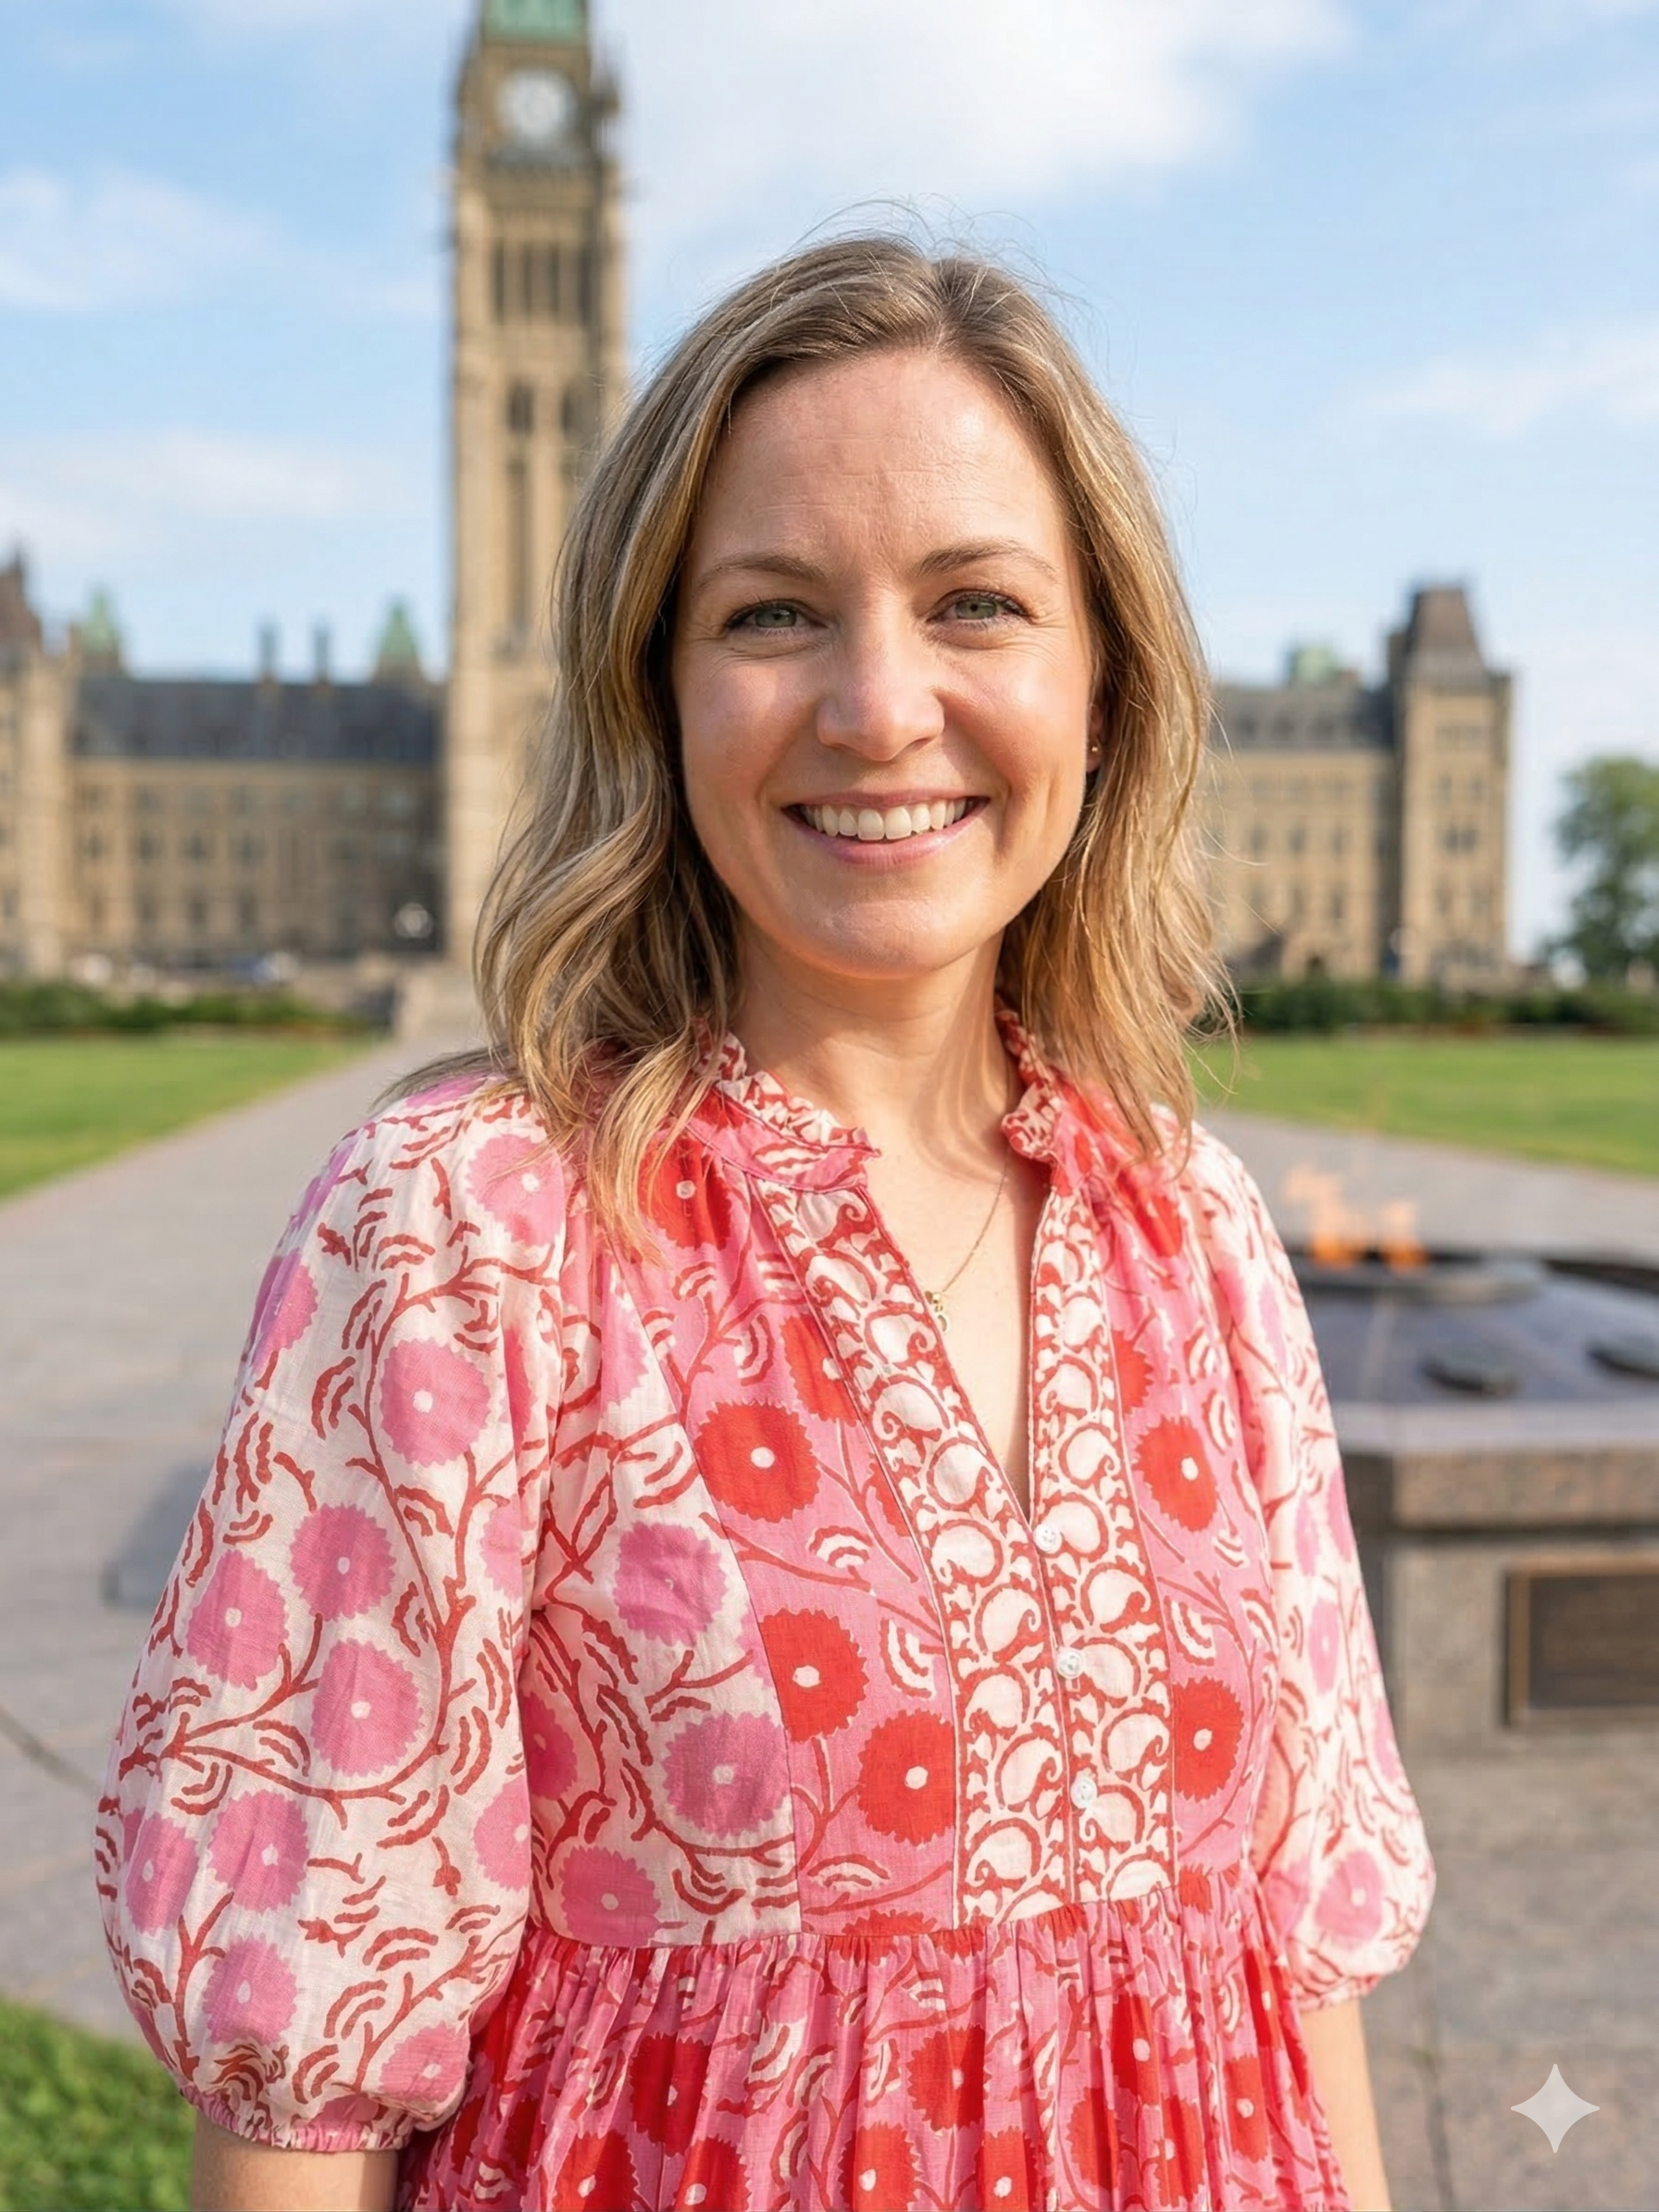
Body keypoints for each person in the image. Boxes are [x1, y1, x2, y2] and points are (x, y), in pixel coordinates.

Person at [98, 233, 1433, 2212]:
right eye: (774, 613)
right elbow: (310, 2060)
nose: (878, 706)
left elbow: (1297, 1963)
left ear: (1102, 682)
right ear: (657, 687)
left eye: (976, 603)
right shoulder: (471, 1229)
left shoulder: (1196, 1231)